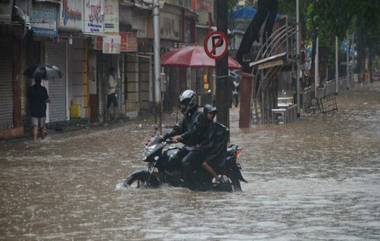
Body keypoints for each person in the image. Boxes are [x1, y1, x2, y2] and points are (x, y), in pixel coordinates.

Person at [163, 89, 208, 188]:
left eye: (184, 104)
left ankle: (190, 187)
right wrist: (165, 136)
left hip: (200, 147)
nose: (182, 106)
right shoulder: (187, 116)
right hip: (190, 147)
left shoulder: (199, 116)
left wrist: (181, 137)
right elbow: (178, 128)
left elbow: (193, 131)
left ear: (190, 103)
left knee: (185, 162)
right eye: (181, 104)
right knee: (173, 158)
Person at [28, 73, 49, 142]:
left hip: (33, 111)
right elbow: (47, 99)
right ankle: (43, 139)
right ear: (40, 81)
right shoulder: (43, 89)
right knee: (42, 126)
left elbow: (29, 99)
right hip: (42, 111)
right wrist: (48, 100)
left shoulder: (31, 89)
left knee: (35, 126)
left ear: (35, 81)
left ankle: (34, 140)